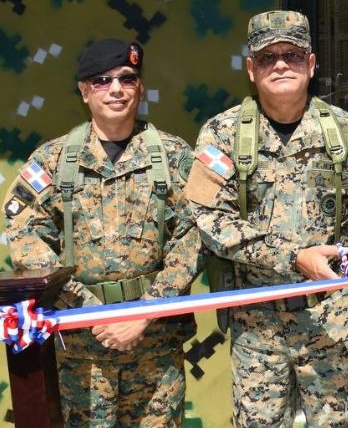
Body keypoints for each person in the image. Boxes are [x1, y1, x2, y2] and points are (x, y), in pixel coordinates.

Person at [185, 10, 348, 428]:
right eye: (267, 57)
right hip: (257, 324)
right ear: (250, 68)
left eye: (293, 55)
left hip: (331, 319)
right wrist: (293, 256)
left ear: (312, 64)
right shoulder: (221, 136)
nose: (281, 64)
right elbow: (210, 221)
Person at [2, 38, 202, 427]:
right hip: (80, 352)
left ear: (140, 87)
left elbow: (194, 238)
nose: (115, 89)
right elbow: (24, 232)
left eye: (126, 79)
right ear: (83, 91)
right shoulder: (54, 160)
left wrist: (143, 313)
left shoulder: (174, 156)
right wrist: (90, 311)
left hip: (154, 350)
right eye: (101, 80)